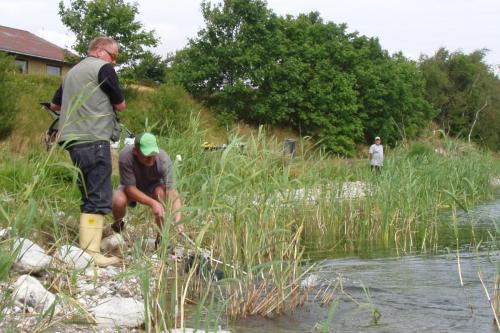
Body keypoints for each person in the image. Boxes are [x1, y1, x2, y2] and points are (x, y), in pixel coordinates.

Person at [50, 36, 126, 266]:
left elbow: (55, 105)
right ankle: (92, 253)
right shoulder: (103, 68)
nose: (114, 62)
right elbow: (121, 104)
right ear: (101, 51)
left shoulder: (72, 72)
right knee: (99, 195)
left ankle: (86, 249)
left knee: (88, 192)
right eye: (114, 57)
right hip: (94, 138)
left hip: (73, 141)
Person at [111, 132, 183, 245]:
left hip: (153, 186)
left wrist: (178, 218)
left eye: (154, 154)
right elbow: (130, 188)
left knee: (161, 193)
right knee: (118, 200)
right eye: (147, 155)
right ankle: (118, 229)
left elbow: (172, 192)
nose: (152, 159)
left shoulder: (163, 160)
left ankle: (161, 239)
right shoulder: (125, 156)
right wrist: (152, 203)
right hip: (132, 187)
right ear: (136, 151)